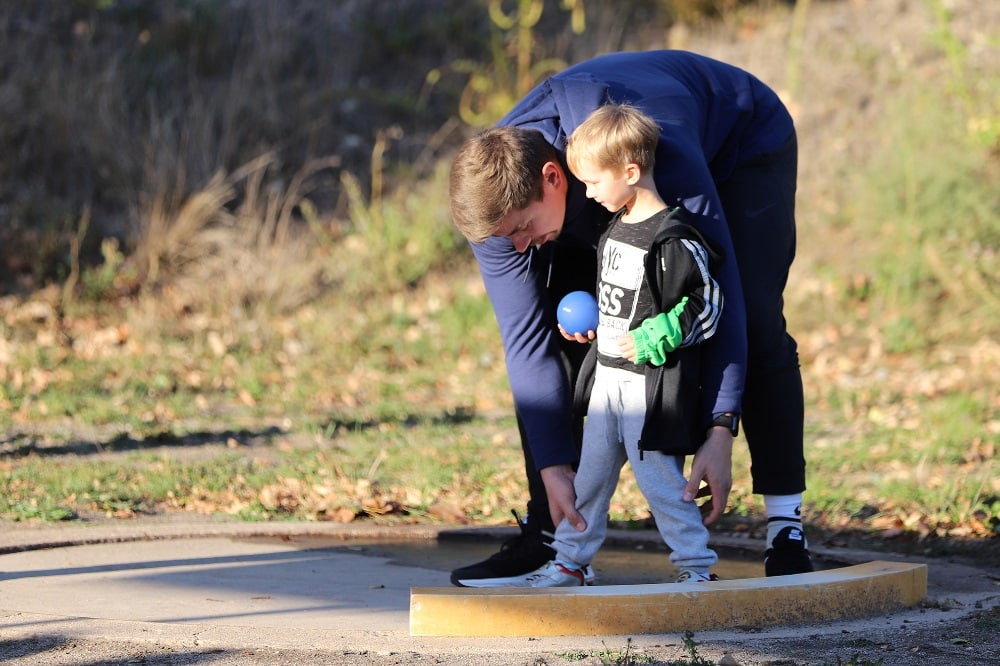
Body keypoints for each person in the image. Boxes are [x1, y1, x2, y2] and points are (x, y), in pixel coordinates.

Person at [448, 50, 813, 586]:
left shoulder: (649, 148)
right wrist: (552, 462)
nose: (519, 248)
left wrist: (719, 425)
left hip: (739, 140)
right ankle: (552, 530)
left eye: (523, 229)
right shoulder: (497, 204)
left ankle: (786, 527)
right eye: (508, 239)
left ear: (553, 178)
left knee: (755, 319)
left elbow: (721, 298)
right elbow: (525, 342)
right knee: (574, 327)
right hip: (590, 188)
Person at [471, 103, 724, 587]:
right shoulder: (609, 231)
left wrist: (657, 335)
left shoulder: (674, 236)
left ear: (630, 172)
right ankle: (570, 562)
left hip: (645, 390)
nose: (584, 193)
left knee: (661, 484)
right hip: (607, 381)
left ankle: (696, 569)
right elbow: (621, 298)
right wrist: (592, 319)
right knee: (588, 481)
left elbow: (706, 303)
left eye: (591, 183)